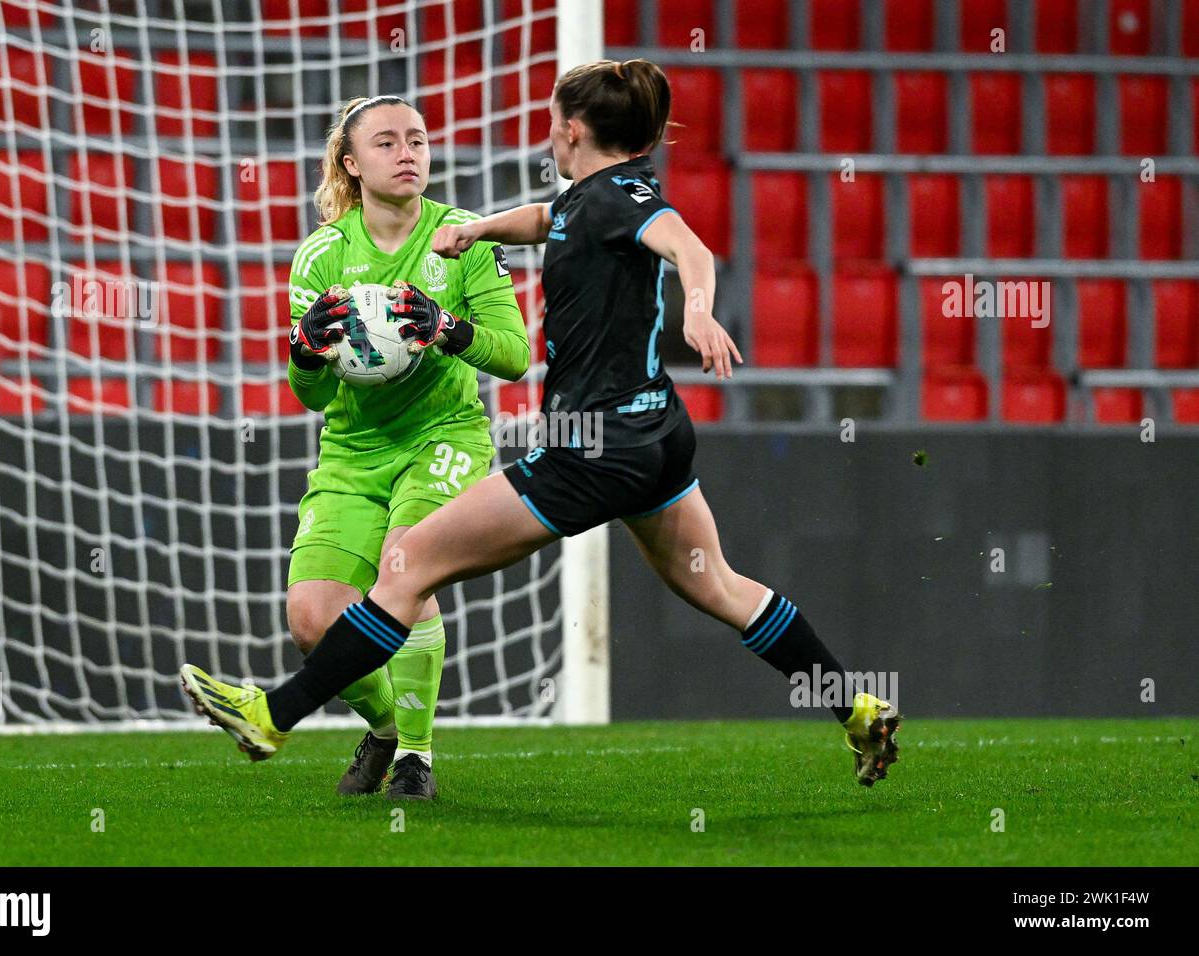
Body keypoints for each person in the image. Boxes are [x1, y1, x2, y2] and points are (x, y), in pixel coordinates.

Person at [182, 61, 900, 787]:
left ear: (573, 129)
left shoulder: (619, 198)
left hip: (587, 452)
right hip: (656, 434)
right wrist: (480, 231)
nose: (547, 132)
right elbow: (548, 220)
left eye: (553, 120)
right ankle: (854, 706)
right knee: (718, 584)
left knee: (406, 568)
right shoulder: (594, 196)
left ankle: (274, 716)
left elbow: (688, 245)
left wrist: (699, 305)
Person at [195, 94, 528, 801]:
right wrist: (305, 348)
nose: (408, 152)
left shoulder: (462, 236)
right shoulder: (321, 255)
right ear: (350, 163)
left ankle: (416, 755)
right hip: (352, 449)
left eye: (418, 139)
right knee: (312, 619)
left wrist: (448, 328)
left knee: (408, 564)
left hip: (443, 435)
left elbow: (516, 356)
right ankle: (382, 729)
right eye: (386, 142)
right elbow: (309, 396)